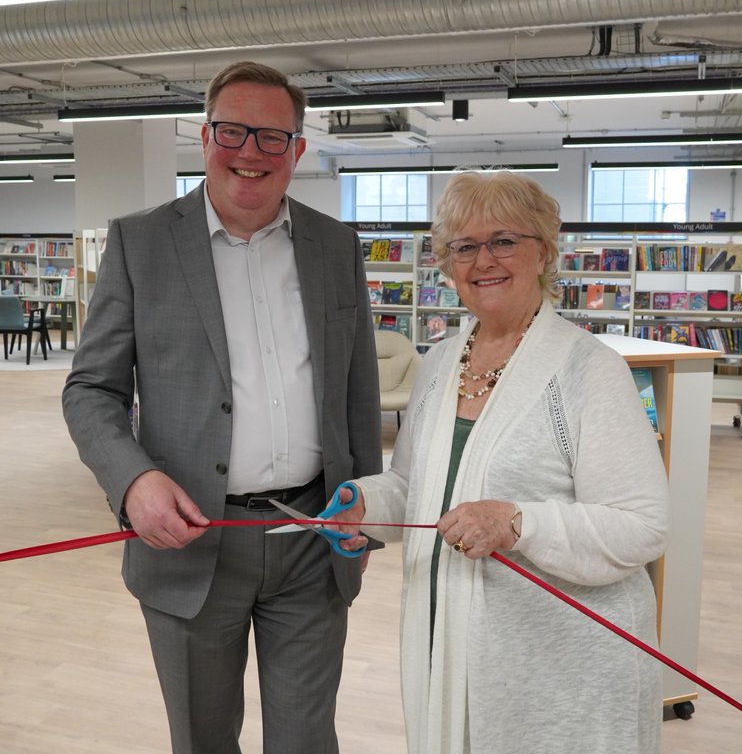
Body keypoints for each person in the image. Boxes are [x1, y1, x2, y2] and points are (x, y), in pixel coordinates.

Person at [62, 61, 382, 754]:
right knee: (204, 740)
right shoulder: (140, 243)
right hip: (190, 544)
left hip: (312, 537)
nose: (250, 153)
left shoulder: (336, 246)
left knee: (305, 740)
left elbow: (358, 390)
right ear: (204, 137)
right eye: (232, 131)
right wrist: (133, 481)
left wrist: (369, 499)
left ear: (298, 150)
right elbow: (91, 390)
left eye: (272, 137)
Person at [335, 171, 670, 753]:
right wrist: (366, 504)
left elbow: (642, 526)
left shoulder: (590, 372)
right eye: (463, 246)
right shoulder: (438, 364)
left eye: (504, 240)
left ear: (544, 250)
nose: (483, 260)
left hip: (564, 667)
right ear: (447, 264)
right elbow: (418, 489)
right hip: (453, 646)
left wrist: (519, 523)